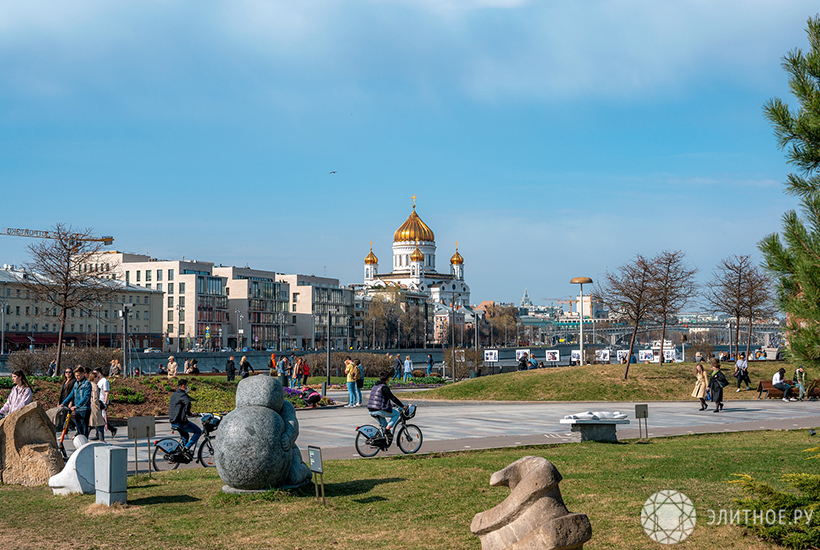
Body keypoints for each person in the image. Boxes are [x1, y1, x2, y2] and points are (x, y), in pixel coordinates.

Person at [168, 379, 201, 455]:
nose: (187, 387)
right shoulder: (183, 395)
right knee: (198, 431)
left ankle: (181, 453)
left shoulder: (175, 394)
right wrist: (189, 413)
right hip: (180, 422)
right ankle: (186, 448)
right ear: (183, 386)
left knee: (185, 436)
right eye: (187, 385)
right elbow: (188, 402)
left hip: (173, 421)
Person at [367, 370, 405, 434]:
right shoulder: (384, 387)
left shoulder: (375, 386)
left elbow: (379, 399)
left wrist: (391, 405)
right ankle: (387, 429)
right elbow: (393, 398)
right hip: (379, 409)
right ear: (388, 379)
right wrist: (402, 406)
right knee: (396, 414)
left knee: (383, 426)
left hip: (371, 410)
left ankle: (383, 439)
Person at [61, 366, 92, 437]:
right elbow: (71, 394)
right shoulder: (76, 383)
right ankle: (80, 443)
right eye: (76, 376)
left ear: (83, 374)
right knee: (79, 429)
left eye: (78, 375)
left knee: (84, 429)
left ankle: (84, 442)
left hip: (84, 409)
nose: (77, 377)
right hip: (77, 409)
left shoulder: (87, 383)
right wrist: (63, 403)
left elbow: (86, 397)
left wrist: (77, 406)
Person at [55, 366, 76, 432]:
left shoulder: (73, 381)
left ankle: (73, 428)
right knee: (65, 418)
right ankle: (67, 432)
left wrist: (71, 403)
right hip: (64, 401)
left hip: (68, 401)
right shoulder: (65, 381)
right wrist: (59, 402)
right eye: (66, 372)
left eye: (69, 372)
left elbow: (73, 393)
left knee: (65, 417)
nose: (68, 373)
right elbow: (62, 393)